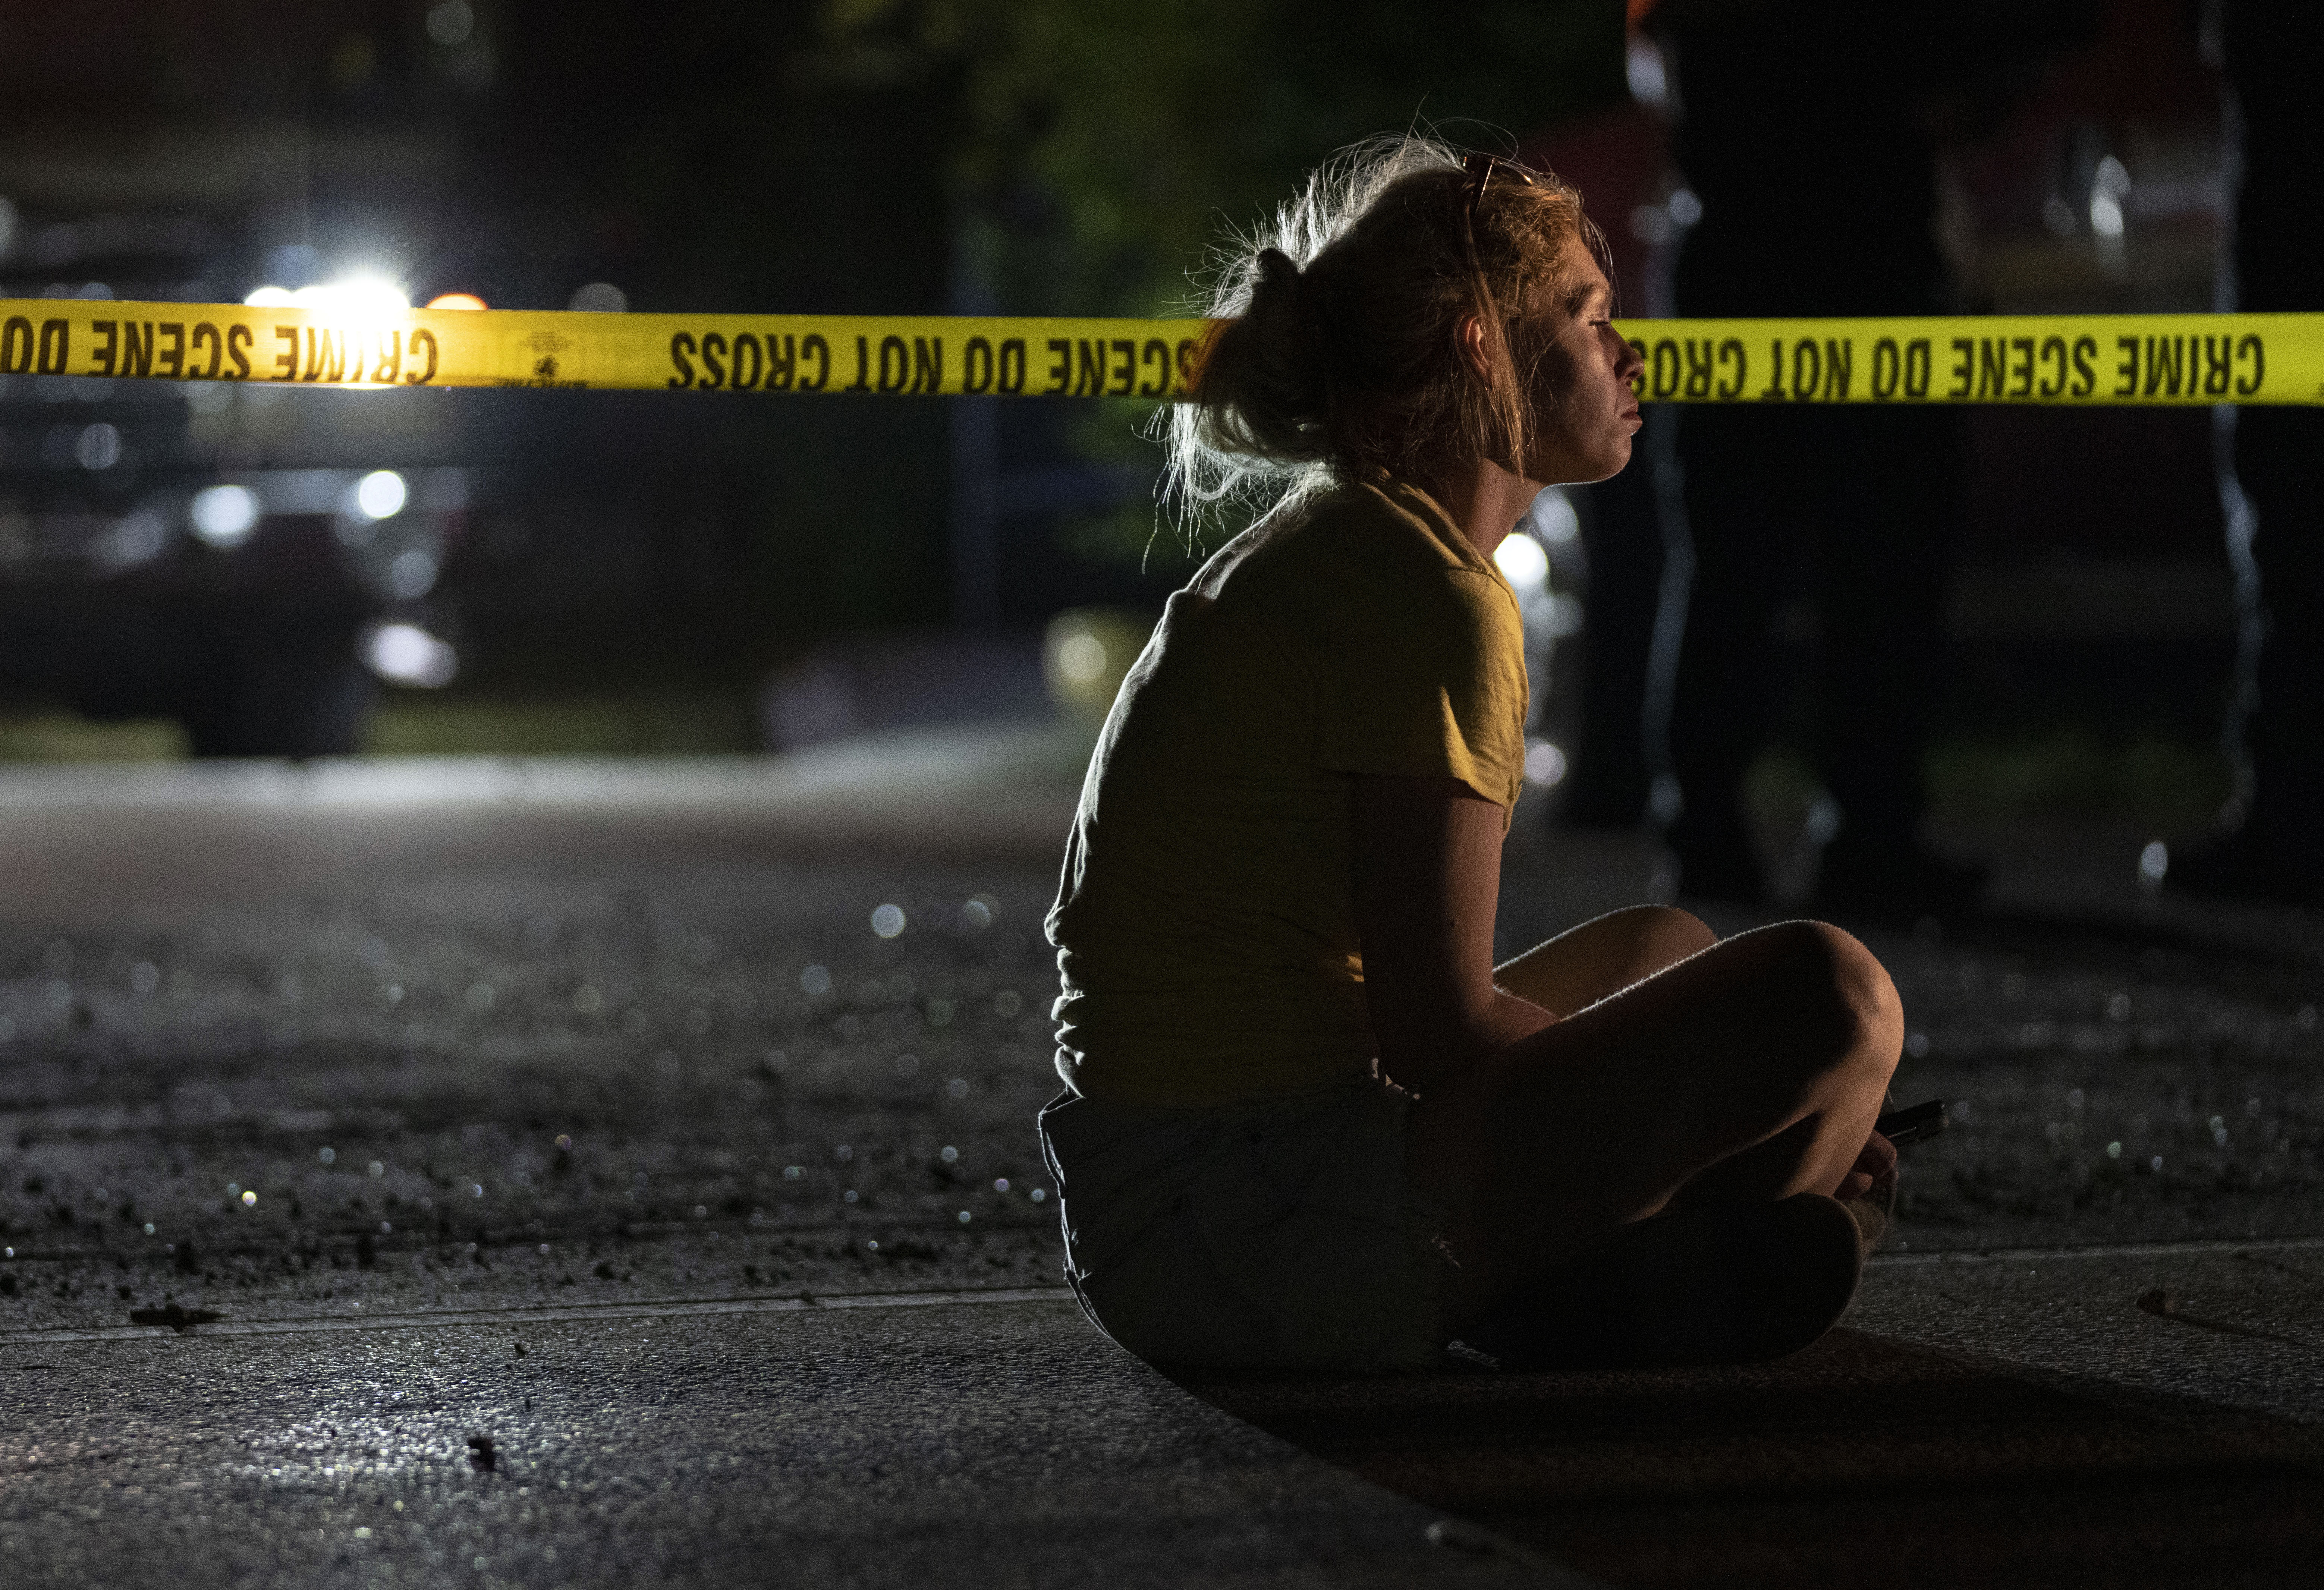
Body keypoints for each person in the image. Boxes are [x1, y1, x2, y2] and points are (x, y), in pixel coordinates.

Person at [1037, 137, 1902, 1374]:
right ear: (1480, 346)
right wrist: (1721, 1108)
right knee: (1835, 998)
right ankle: (1608, 1280)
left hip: (1177, 1208)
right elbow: (1435, 1033)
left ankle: (1605, 1274)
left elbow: (1414, 1025)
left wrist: (1690, 1089)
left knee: (1667, 951)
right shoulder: (1426, 597)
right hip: (1241, 1228)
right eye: (1585, 311)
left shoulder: (1357, 546)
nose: (1625, 351)